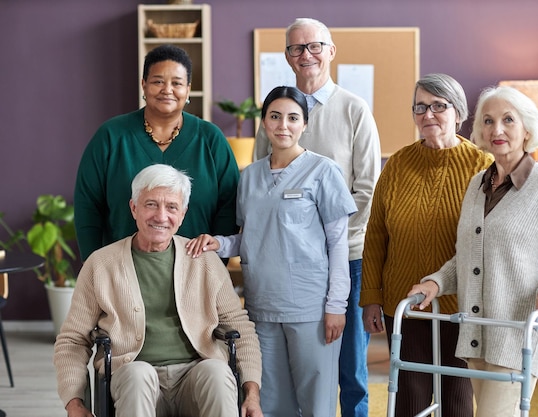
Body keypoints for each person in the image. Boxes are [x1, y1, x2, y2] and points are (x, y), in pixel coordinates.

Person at [408, 85, 538, 417]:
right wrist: (435, 282)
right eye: (489, 121)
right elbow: (467, 256)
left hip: (517, 337)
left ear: (527, 130)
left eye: (508, 120)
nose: (497, 129)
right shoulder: (476, 186)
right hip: (477, 334)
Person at [187, 86, 357, 416]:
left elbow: (339, 245)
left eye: (293, 118)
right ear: (263, 122)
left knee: (316, 398)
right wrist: (218, 243)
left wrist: (337, 304)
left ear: (305, 124)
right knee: (271, 399)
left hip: (311, 307)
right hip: (262, 305)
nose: (283, 125)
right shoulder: (248, 177)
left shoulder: (323, 172)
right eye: (275, 116)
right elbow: (250, 237)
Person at [54, 164, 263, 417]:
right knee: (137, 374)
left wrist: (252, 393)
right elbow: (73, 339)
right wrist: (74, 402)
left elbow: (240, 327)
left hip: (194, 375)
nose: (161, 216)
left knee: (217, 373)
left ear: (183, 214)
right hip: (133, 376)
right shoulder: (101, 265)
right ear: (134, 208)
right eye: (151, 204)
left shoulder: (204, 261)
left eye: (172, 207)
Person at [253, 18, 381, 417]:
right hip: (289, 266)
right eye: (295, 48)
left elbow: (368, 188)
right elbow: (262, 184)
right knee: (301, 370)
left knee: (350, 369)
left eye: (314, 46)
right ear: (287, 57)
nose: (305, 55)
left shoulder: (354, 109)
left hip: (348, 256)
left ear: (330, 51)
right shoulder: (275, 114)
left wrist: (326, 239)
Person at [359, 73, 493, 417]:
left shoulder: (483, 166)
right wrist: (371, 296)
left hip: (461, 304)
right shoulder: (399, 163)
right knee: (409, 397)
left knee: (457, 398)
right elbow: (375, 234)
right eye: (420, 107)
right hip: (403, 301)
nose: (428, 114)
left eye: (438, 106)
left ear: (458, 113)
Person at [74, 44, 239, 262]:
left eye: (177, 83)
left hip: (195, 271)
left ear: (188, 89)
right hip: (121, 271)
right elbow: (88, 207)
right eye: (158, 81)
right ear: (144, 85)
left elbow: (229, 207)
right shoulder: (111, 137)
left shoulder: (210, 139)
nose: (167, 90)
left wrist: (214, 266)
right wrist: (94, 266)